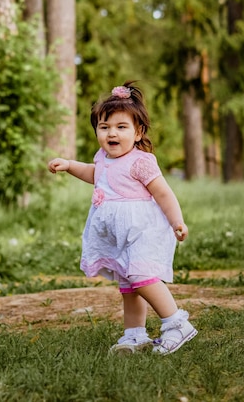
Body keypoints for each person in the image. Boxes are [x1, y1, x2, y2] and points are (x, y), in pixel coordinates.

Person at [48, 81, 197, 355]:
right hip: (119, 235)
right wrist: (69, 166)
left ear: (138, 132)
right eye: (104, 127)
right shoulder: (103, 158)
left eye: (121, 127)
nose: (111, 133)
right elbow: (95, 174)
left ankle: (176, 323)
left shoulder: (141, 161)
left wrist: (177, 221)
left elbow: (163, 193)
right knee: (129, 286)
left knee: (142, 277)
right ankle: (134, 335)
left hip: (142, 230)